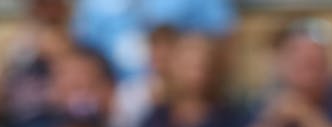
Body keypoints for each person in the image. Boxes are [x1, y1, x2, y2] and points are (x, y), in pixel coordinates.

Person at [127, 31, 249, 127]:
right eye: (187, 66)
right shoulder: (158, 118)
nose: (195, 75)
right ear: (172, 68)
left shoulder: (229, 118)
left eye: (201, 66)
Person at [71, 0, 237, 84]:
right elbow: (84, 55)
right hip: (115, 102)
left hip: (179, 96)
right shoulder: (94, 5)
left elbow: (219, 44)